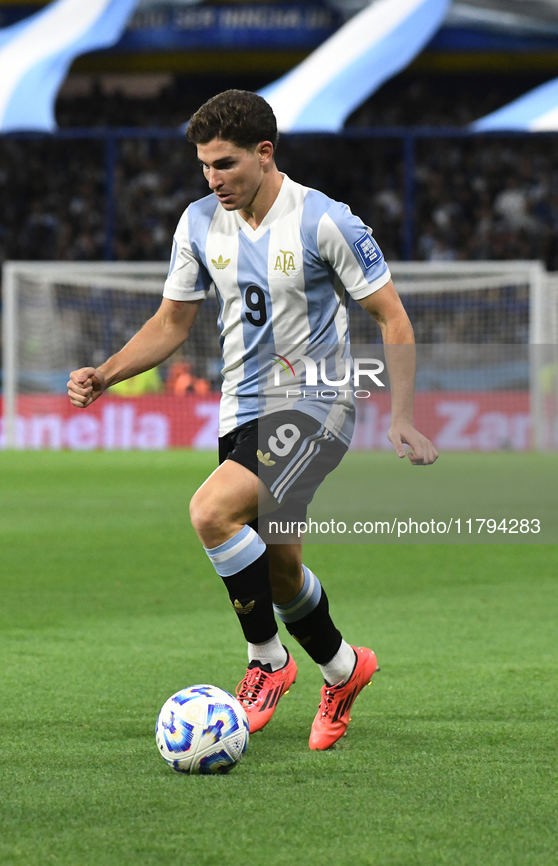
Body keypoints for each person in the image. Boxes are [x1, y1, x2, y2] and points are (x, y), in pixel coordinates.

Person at [67, 90, 438, 750]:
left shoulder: (326, 221)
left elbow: (393, 316)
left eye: (226, 164)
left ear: (265, 155)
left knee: (211, 511)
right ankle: (344, 668)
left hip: (315, 405)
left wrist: (402, 416)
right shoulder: (198, 223)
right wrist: (108, 372)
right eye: (205, 165)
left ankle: (266, 661)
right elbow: (171, 321)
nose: (213, 179)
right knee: (280, 569)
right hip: (239, 409)